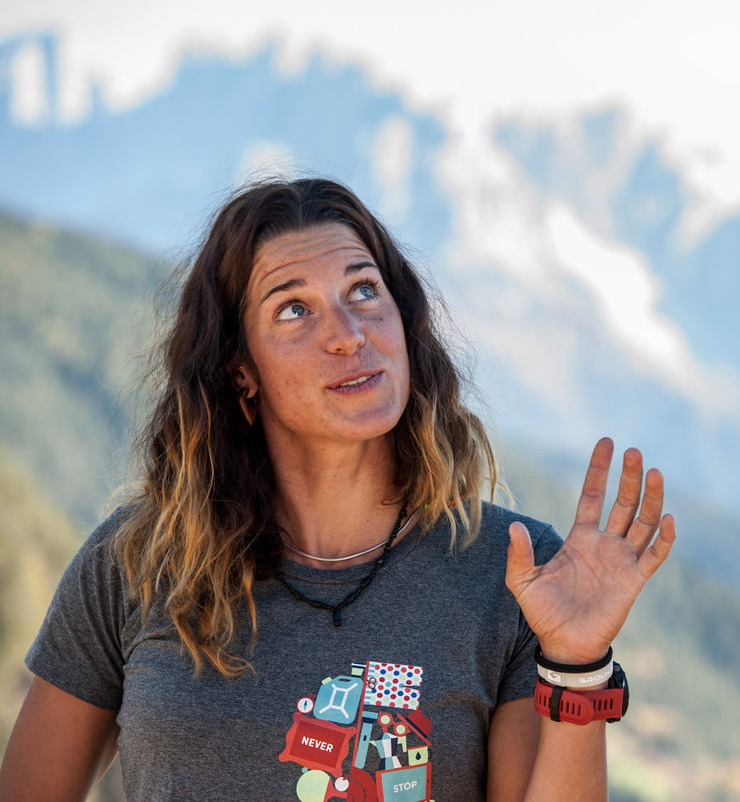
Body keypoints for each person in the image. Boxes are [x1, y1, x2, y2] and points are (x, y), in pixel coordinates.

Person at [0, 178, 676, 802]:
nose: (349, 336)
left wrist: (578, 665)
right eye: (295, 309)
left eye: (363, 292)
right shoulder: (136, 563)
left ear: (403, 323)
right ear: (241, 372)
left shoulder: (513, 571)